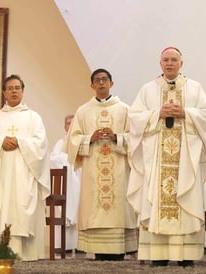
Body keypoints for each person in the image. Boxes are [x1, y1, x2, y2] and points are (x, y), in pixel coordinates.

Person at [127, 47, 206, 267]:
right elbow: (134, 118)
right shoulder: (148, 89)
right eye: (166, 59)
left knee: (185, 196)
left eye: (174, 59)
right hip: (156, 156)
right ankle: (158, 255)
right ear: (160, 63)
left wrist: (185, 112)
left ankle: (185, 256)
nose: (170, 63)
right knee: (156, 198)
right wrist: (158, 114)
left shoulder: (195, 88)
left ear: (181, 64)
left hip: (185, 158)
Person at [64, 68, 137, 261]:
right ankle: (97, 250)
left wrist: (117, 137)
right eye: (97, 80)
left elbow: (136, 139)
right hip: (93, 171)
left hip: (119, 169)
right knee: (95, 206)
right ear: (92, 85)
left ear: (111, 83)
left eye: (105, 79)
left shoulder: (124, 109)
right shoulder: (83, 110)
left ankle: (120, 249)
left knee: (118, 208)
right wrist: (89, 138)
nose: (101, 83)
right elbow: (72, 140)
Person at [0, 74, 50, 261]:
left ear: (23, 91)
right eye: (10, 88)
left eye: (17, 88)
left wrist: (20, 142)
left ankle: (26, 254)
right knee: (0, 209)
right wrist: (0, 141)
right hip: (0, 176)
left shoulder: (33, 118)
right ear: (4, 93)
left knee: (22, 209)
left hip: (23, 175)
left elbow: (41, 144)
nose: (14, 91)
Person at [50, 114, 81, 252]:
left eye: (73, 123)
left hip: (81, 184)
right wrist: (68, 159)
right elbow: (53, 160)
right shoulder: (59, 144)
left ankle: (81, 246)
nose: (70, 125)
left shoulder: (82, 142)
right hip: (64, 186)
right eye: (68, 123)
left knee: (82, 208)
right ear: (64, 126)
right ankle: (64, 246)